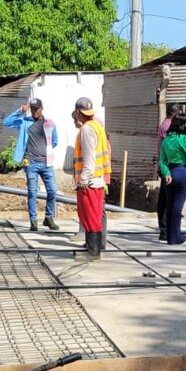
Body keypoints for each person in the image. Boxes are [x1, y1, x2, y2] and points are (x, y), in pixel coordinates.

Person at [4, 99, 60, 232]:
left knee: (52, 190)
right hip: (31, 163)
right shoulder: (25, 122)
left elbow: (55, 141)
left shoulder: (49, 124)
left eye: (37, 109)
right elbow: (6, 122)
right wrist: (19, 112)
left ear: (42, 108)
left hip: (47, 163)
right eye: (32, 109)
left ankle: (49, 217)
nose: (35, 111)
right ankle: (33, 221)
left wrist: (47, 151)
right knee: (32, 192)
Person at [71, 97, 111, 262]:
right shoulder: (97, 126)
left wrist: (83, 181)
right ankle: (91, 248)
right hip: (98, 179)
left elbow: (89, 159)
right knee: (92, 216)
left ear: (78, 112)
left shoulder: (87, 130)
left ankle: (93, 252)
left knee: (91, 217)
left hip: (90, 181)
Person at [158, 114, 186, 245]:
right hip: (183, 172)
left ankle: (169, 236)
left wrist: (166, 173)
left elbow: (162, 160)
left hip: (170, 173)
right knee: (177, 207)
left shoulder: (166, 140)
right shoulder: (184, 139)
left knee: (169, 205)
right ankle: (176, 237)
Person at [156, 104, 182, 241]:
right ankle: (165, 229)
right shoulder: (168, 127)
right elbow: (170, 148)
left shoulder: (166, 125)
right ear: (174, 113)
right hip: (167, 166)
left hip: (165, 165)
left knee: (165, 198)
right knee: (167, 199)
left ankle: (165, 229)